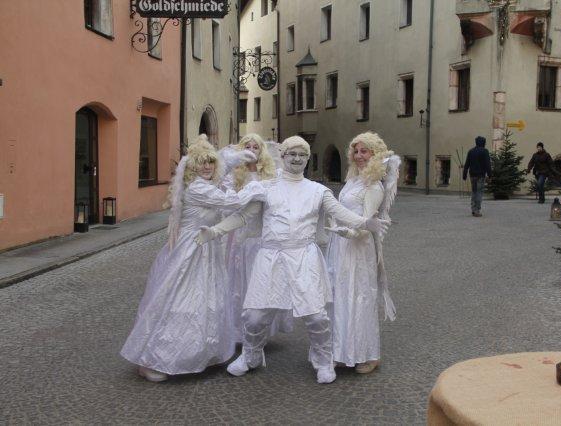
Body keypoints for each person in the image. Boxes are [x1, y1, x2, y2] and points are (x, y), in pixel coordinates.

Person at [195, 136, 390, 384]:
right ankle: (250, 355)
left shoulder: (318, 190)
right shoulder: (266, 187)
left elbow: (340, 212)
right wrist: (215, 231)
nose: (297, 159)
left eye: (302, 155)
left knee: (317, 316)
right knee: (255, 316)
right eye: (292, 154)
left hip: (304, 257)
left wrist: (365, 223)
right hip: (270, 256)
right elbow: (244, 216)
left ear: (307, 159)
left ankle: (323, 359)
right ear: (283, 156)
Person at [120, 135, 261, 382]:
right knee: (180, 300)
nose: (206, 167)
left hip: (206, 247)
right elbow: (232, 201)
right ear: (191, 166)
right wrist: (255, 186)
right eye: (201, 162)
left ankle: (201, 352)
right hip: (192, 249)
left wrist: (234, 159)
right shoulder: (197, 188)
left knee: (206, 299)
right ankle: (154, 358)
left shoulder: (205, 183)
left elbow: (220, 176)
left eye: (210, 162)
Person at [325, 132, 400, 374]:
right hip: (341, 246)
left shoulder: (374, 186)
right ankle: (341, 351)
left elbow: (368, 224)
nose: (358, 156)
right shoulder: (353, 180)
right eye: (355, 151)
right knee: (340, 296)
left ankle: (368, 354)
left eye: (364, 151)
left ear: (374, 154)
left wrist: (350, 233)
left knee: (359, 297)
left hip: (358, 248)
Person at [222, 134, 293, 342]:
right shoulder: (234, 175)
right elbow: (229, 201)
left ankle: (261, 330)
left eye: (255, 147)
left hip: (264, 235)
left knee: (262, 281)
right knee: (240, 282)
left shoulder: (270, 174)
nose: (252, 150)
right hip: (242, 235)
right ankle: (240, 331)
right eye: (248, 147)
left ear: (261, 151)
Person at [462, 136, 492, 217]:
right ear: (483, 143)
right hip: (480, 176)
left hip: (472, 176)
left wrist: (464, 175)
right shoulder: (485, 151)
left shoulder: (471, 151)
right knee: (479, 192)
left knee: (474, 192)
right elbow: (488, 164)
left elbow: (466, 164)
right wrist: (490, 175)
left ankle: (473, 209)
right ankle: (477, 210)